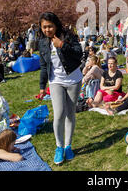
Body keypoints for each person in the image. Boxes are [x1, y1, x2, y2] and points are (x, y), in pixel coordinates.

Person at [38, 12, 83, 165]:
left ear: (56, 25)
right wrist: (42, 86)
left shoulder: (68, 36)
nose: (47, 30)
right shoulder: (42, 42)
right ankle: (59, 147)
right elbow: (44, 66)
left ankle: (68, 146)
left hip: (73, 79)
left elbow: (79, 53)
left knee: (70, 113)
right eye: (44, 27)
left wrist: (63, 45)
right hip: (55, 81)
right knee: (58, 114)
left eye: (50, 26)